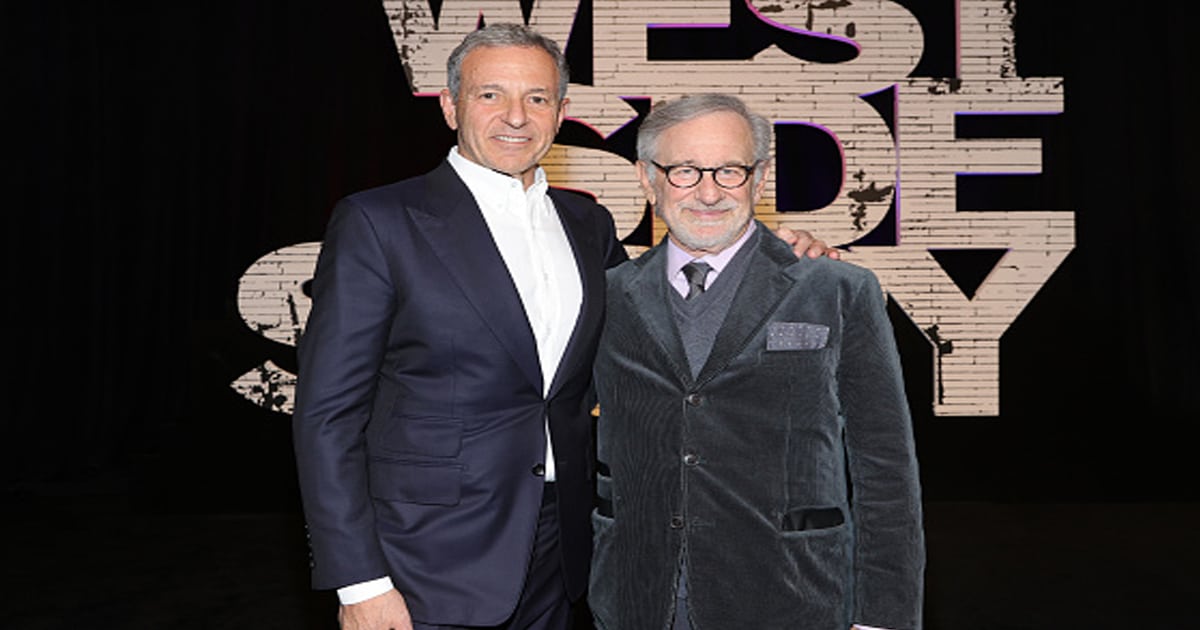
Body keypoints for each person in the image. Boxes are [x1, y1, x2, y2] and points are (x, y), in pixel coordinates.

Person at [292, 25, 833, 630]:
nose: (516, 117)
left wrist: (777, 262)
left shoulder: (587, 222)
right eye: (490, 95)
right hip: (421, 560)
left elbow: (663, 344)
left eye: (538, 98)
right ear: (450, 106)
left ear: (561, 112)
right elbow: (326, 414)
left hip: (562, 552)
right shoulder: (379, 221)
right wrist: (359, 581)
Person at [589, 94, 925, 630]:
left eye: (729, 170)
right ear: (647, 179)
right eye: (683, 171)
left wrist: (883, 617)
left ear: (760, 179)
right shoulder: (606, 296)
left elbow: (885, 469)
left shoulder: (838, 289)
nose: (708, 191)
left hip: (792, 596)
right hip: (637, 596)